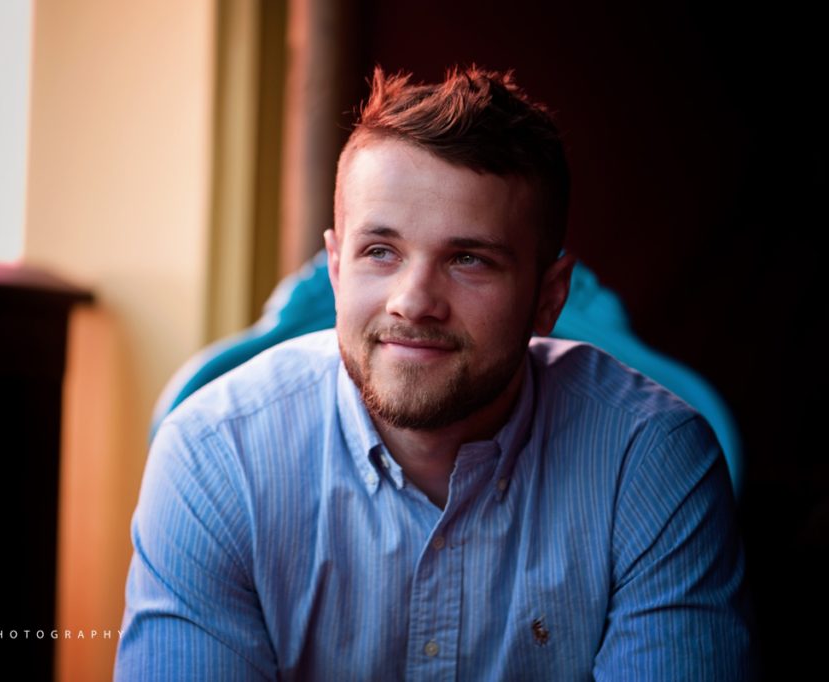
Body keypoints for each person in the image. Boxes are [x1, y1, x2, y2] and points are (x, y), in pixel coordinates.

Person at [115, 66, 753, 680]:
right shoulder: (213, 454)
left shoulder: (649, 459)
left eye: (469, 258)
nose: (413, 301)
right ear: (337, 269)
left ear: (548, 297)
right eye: (381, 251)